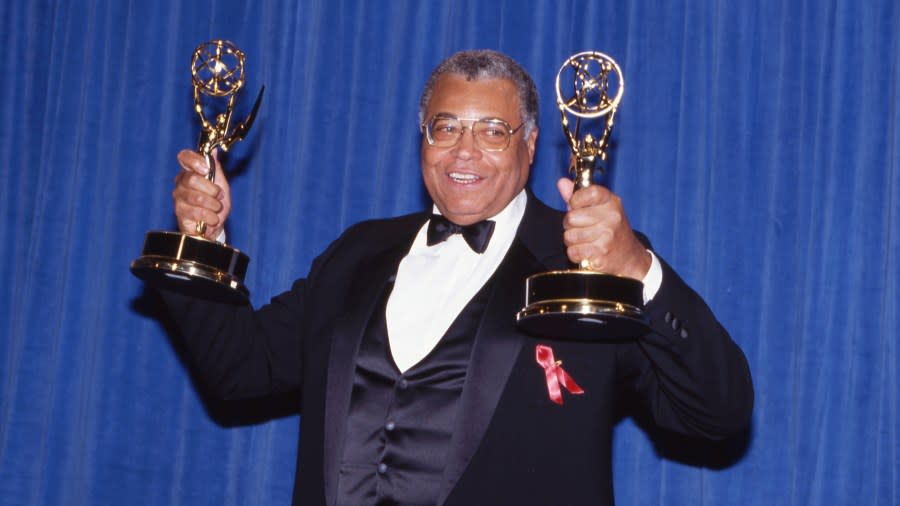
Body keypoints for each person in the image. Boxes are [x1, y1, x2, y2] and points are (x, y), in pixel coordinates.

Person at [163, 49, 753, 505]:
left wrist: (637, 269)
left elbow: (717, 412)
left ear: (529, 145)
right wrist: (201, 243)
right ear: (422, 140)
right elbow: (240, 372)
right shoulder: (357, 252)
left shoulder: (583, 265)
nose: (463, 152)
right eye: (445, 128)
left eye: (493, 131)